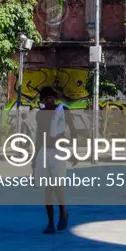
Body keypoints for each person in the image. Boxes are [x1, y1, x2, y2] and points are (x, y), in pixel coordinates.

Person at [34, 86, 75, 234]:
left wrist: (73, 152)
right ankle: (50, 222)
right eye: (46, 98)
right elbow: (39, 137)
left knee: (58, 186)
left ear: (55, 98)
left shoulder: (63, 111)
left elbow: (74, 131)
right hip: (44, 152)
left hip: (59, 151)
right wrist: (34, 161)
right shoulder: (40, 115)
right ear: (43, 101)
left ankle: (63, 214)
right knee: (47, 189)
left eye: (51, 97)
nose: (49, 100)